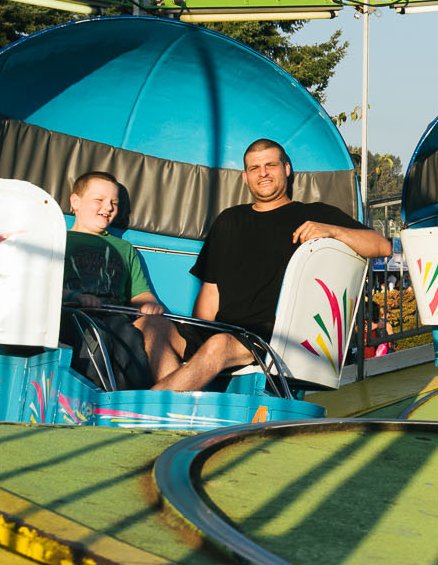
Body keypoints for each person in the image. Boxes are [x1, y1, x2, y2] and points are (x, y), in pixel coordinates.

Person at [153, 139, 391, 392]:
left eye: (270, 165)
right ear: (245, 177)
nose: (263, 173)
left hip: (271, 337)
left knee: (218, 346)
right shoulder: (228, 220)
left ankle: (145, 409)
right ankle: (177, 403)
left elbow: (382, 246)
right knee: (151, 326)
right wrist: (199, 334)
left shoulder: (315, 214)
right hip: (223, 331)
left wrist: (332, 231)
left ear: (286, 169)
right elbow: (211, 292)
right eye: (255, 168)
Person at [62, 169, 174, 383]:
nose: (108, 207)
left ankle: (131, 401)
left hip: (114, 318)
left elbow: (141, 295)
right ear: (75, 202)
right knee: (95, 337)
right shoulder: (58, 239)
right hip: (72, 314)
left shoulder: (124, 248)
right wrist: (74, 296)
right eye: (99, 200)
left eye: (114, 202)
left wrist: (151, 305)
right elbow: (43, 286)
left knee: (129, 339)